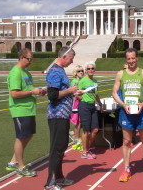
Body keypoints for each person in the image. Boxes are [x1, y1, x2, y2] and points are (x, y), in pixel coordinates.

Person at [112, 48, 143, 182]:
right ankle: (127, 169)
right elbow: (114, 92)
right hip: (126, 112)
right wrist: (123, 104)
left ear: (137, 58)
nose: (131, 61)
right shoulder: (120, 74)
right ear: (125, 60)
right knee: (126, 142)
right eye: (128, 59)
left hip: (141, 112)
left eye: (133, 58)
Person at [45, 46, 83, 190]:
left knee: (61, 148)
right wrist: (70, 90)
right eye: (71, 59)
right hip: (57, 115)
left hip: (63, 115)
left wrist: (73, 94)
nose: (71, 62)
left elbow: (62, 93)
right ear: (64, 56)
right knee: (57, 149)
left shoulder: (60, 71)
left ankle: (59, 178)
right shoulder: (54, 71)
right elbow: (53, 96)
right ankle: (50, 183)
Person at [6, 48, 46, 177]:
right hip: (20, 110)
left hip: (29, 109)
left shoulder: (26, 73)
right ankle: (21, 167)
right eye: (29, 59)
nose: (31, 61)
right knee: (22, 137)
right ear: (22, 57)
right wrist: (31, 92)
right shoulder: (16, 73)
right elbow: (14, 93)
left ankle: (13, 162)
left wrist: (38, 91)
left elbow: (29, 89)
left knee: (28, 135)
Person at [78, 61, 103, 159]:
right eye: (88, 68)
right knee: (86, 130)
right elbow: (77, 93)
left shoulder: (95, 81)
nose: (91, 70)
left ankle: (86, 149)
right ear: (86, 71)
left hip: (93, 106)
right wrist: (83, 100)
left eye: (92, 68)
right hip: (84, 106)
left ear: (95, 70)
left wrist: (100, 104)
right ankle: (85, 152)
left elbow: (96, 94)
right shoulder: (83, 81)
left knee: (95, 129)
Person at [70, 65, 84, 151]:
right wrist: (82, 98)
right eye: (79, 71)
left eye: (82, 70)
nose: (81, 72)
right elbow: (74, 93)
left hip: (80, 102)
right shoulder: (75, 81)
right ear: (75, 73)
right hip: (76, 103)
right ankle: (77, 139)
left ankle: (73, 133)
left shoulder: (81, 80)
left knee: (81, 121)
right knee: (78, 121)